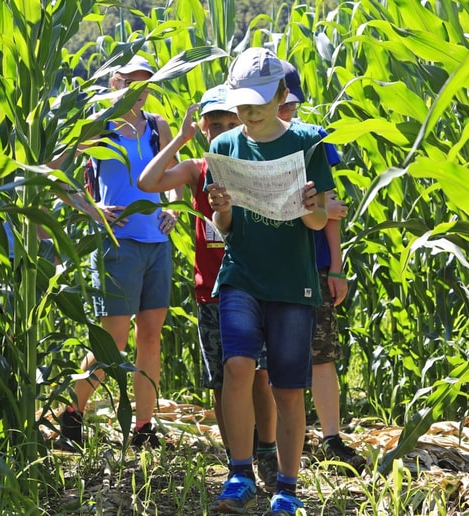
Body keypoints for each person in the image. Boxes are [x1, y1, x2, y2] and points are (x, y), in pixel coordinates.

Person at [205, 47, 333, 515]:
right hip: (241, 274)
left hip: (293, 283)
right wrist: (221, 211)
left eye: (260, 99)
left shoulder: (308, 143)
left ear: (282, 93)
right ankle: (239, 474)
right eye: (242, 101)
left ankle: (287, 487)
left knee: (286, 388)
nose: (250, 110)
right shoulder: (223, 146)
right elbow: (224, 229)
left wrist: (310, 205)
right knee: (237, 368)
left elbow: (321, 221)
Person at [137, 85, 278, 486]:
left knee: (260, 376)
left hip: (256, 289)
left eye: (230, 122)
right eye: (214, 124)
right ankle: (239, 458)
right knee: (221, 380)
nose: (222, 130)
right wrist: (178, 139)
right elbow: (149, 182)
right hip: (212, 291)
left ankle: (266, 450)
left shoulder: (255, 165)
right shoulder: (197, 169)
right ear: (202, 128)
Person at [56, 55, 180, 449]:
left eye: (145, 85)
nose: (139, 93)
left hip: (157, 244)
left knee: (151, 338)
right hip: (117, 244)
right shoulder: (98, 127)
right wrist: (90, 208)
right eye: (131, 84)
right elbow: (53, 171)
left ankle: (144, 427)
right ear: (114, 83)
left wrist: (175, 207)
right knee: (114, 342)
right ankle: (71, 412)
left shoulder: (159, 127)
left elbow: (174, 178)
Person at [278, 60, 365, 474]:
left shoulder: (313, 141)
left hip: (312, 266)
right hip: (269, 267)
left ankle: (331, 438)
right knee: (268, 361)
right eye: (280, 103)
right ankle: (269, 442)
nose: (286, 112)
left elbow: (332, 211)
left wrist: (336, 266)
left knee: (322, 353)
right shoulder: (246, 142)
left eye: (291, 105)